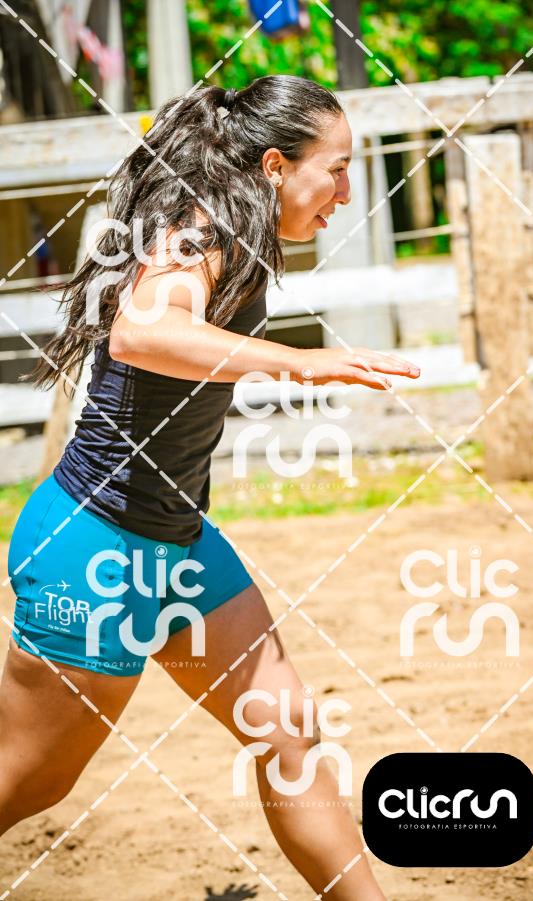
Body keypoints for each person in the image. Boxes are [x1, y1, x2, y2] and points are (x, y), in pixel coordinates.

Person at [0, 75, 419, 898]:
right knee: (31, 780)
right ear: (274, 165)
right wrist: (300, 362)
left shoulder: (242, 231)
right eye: (335, 169)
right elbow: (142, 330)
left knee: (287, 728)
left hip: (178, 541)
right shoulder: (199, 228)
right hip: (93, 545)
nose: (345, 192)